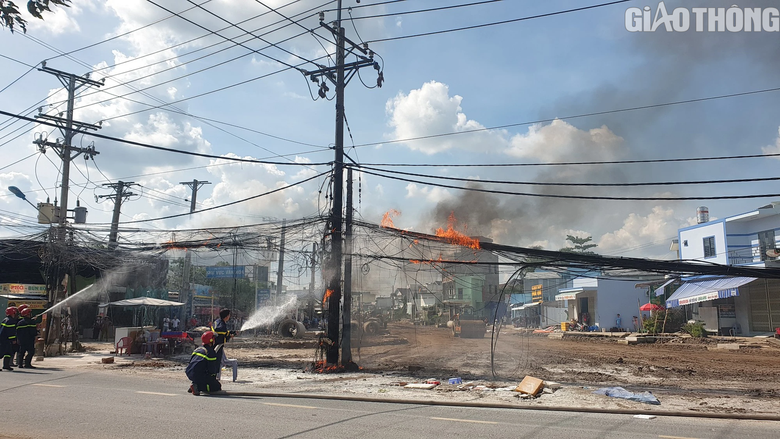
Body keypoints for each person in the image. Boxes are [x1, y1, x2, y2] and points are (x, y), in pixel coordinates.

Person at [185, 331, 221, 396]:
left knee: (201, 375)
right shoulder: (210, 353)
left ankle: (195, 383)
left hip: (191, 373)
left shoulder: (198, 349)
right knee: (216, 387)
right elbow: (212, 370)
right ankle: (198, 387)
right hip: (200, 375)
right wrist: (213, 379)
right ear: (211, 340)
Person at [1, 306, 19, 371]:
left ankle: (6, 365)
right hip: (5, 340)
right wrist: (13, 340)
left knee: (8, 353)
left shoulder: (5, 319)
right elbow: (10, 332)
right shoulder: (11, 321)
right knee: (1, 353)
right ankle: (6, 365)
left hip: (4, 339)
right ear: (13, 313)